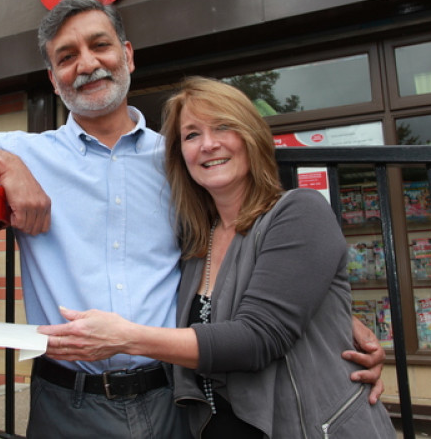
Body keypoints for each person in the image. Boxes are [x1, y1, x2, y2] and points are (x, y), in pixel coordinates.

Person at [0, 0, 385, 438]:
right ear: (53, 78)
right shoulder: (26, 153)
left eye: (99, 45)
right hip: (65, 405)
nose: (86, 64)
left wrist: (334, 320)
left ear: (127, 55)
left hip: (176, 400)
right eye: (66, 56)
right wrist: (0, 163)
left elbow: (246, 254)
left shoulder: (184, 160)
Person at [39, 77, 396, 438]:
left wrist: (125, 338)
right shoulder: (196, 240)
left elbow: (257, 338)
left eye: (223, 127)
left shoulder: (300, 212)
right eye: (192, 135)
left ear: (251, 136)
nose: (208, 145)